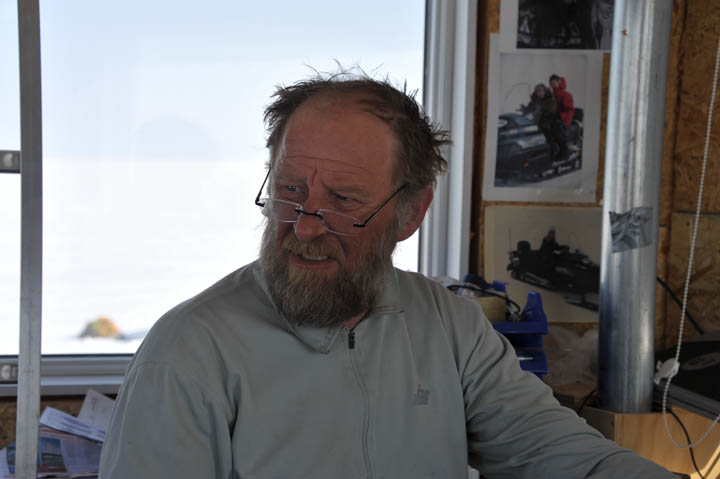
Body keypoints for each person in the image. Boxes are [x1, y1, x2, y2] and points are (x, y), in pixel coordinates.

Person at [99, 72, 676, 478]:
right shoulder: (187, 353)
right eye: (290, 193)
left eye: (344, 200)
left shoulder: (451, 328)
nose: (303, 227)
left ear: (412, 212)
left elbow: (557, 453)